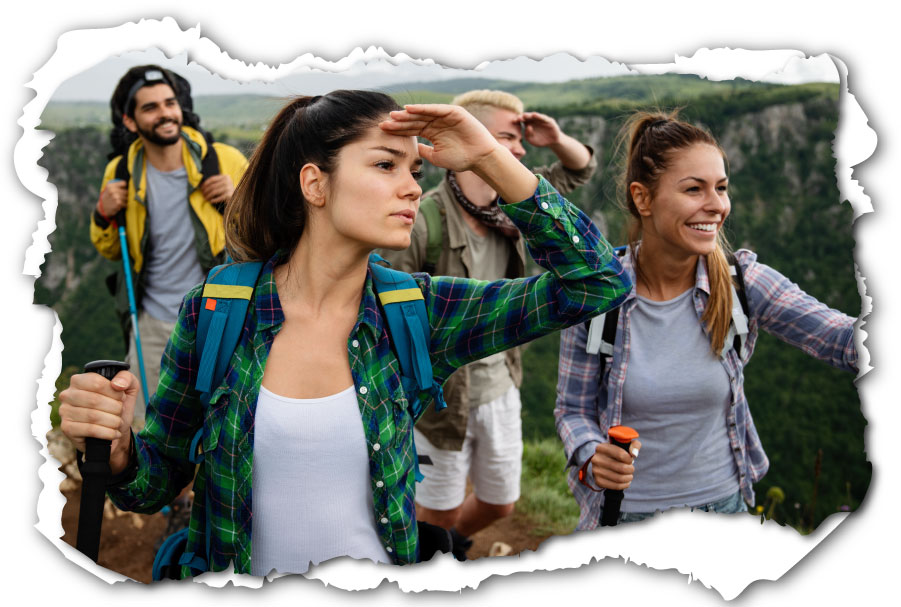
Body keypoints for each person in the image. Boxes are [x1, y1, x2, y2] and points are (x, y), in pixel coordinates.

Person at [59, 90, 631, 576]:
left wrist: (486, 156)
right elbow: (153, 484)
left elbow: (598, 282)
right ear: (315, 183)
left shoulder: (418, 311)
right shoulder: (216, 311)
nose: (411, 187)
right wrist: (119, 451)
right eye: (386, 165)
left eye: (415, 171)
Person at [554, 111, 859, 529]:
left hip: (725, 512)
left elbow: (842, 340)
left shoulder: (742, 284)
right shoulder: (595, 295)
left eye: (721, 188)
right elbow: (572, 408)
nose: (717, 205)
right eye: (694, 189)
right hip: (624, 518)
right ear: (642, 198)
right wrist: (591, 456)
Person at [377, 89, 597, 546]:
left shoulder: (513, 203)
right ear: (466, 141)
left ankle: (445, 550)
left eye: (518, 142)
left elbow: (580, 169)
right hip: (441, 399)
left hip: (500, 384)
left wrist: (553, 138)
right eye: (504, 138)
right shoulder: (424, 220)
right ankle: (431, 565)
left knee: (500, 503)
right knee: (437, 510)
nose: (517, 150)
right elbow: (386, 314)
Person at [90, 64, 249, 426]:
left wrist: (234, 200)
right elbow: (111, 249)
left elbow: (261, 237)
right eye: (151, 107)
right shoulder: (120, 171)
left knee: (224, 422)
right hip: (151, 323)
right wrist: (103, 213)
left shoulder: (224, 161)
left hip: (218, 317)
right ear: (130, 122)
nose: (165, 113)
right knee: (144, 426)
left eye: (169, 103)